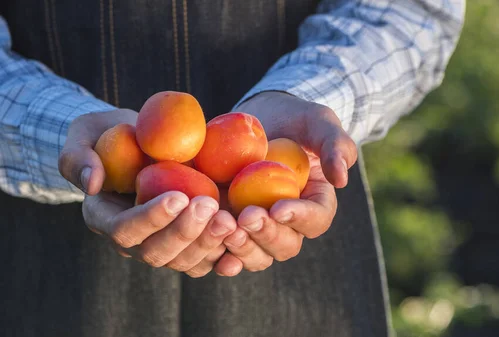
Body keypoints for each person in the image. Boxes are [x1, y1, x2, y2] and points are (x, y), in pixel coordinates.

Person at [0, 0, 464, 336]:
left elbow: (413, 10)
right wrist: (61, 131)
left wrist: (312, 100)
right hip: (44, 250)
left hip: (292, 234)